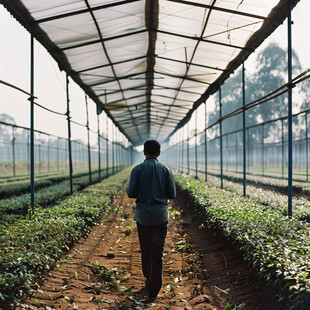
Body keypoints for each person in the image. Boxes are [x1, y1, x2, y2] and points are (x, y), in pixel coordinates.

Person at [126, 139, 176, 301]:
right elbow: (172, 194)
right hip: (160, 216)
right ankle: (154, 288)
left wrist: (144, 192)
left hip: (143, 216)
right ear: (159, 152)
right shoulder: (166, 170)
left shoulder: (138, 170)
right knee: (158, 251)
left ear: (144, 152)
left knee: (145, 248)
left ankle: (149, 278)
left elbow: (131, 192)